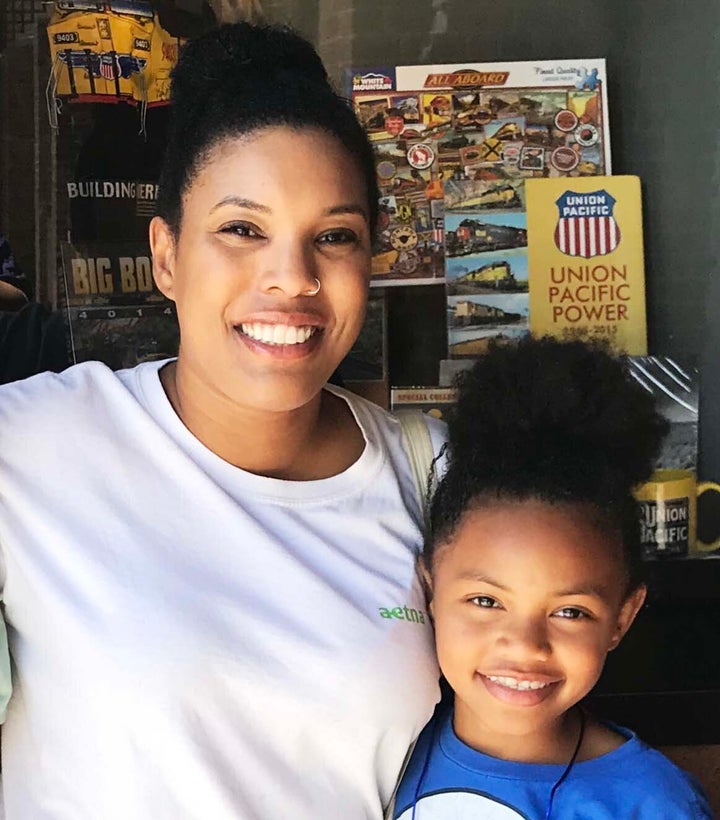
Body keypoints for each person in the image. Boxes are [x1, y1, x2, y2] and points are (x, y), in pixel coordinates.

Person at [0, 24, 445, 819]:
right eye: (242, 229)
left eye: (334, 237)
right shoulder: (32, 450)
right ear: (166, 256)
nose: (292, 279)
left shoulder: (431, 475)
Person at [393, 337, 713, 819]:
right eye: (485, 601)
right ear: (431, 590)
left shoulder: (650, 805)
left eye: (570, 611)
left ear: (622, 618)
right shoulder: (391, 753)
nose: (525, 646)